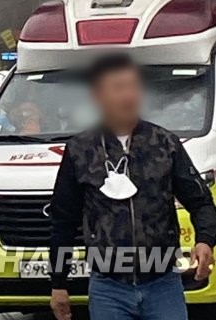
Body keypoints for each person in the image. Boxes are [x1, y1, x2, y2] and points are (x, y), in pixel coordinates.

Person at [49, 53, 216, 320]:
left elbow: (200, 201)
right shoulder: (81, 150)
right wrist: (58, 283)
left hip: (163, 284)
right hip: (108, 288)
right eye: (118, 88)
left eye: (133, 87)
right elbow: (63, 220)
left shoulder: (165, 144)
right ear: (98, 96)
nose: (128, 96)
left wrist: (205, 240)